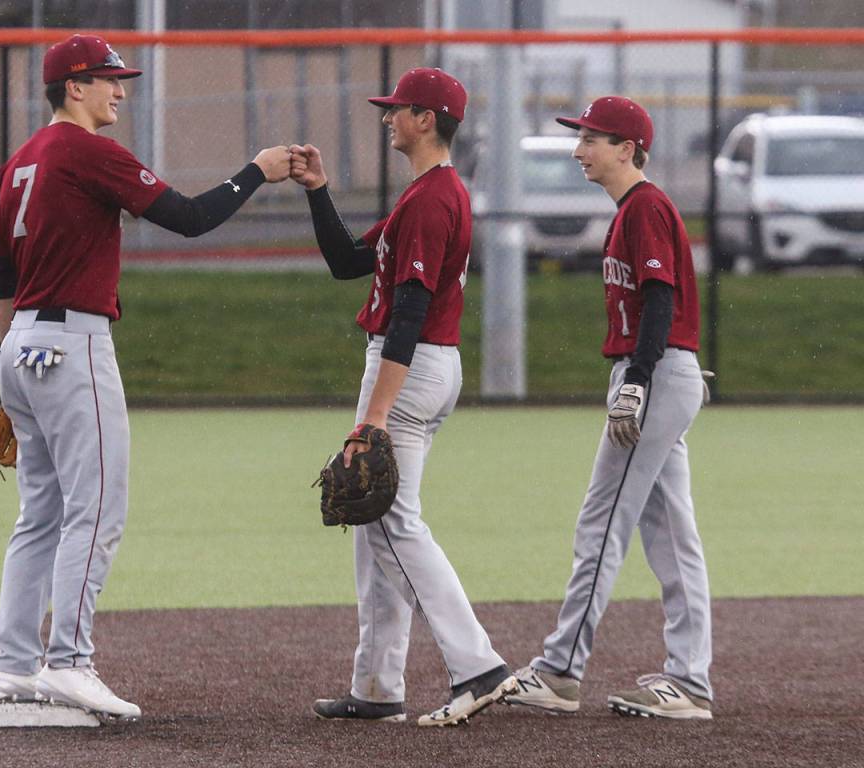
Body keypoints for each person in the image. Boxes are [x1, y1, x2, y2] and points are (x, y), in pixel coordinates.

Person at [0, 33, 291, 719]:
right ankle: (67, 661)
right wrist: (256, 171)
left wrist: (6, 358)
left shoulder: (21, 161)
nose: (119, 90)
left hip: (21, 343)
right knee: (97, 511)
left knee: (40, 515)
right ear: (74, 88)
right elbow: (186, 218)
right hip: (74, 343)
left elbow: (1, 271)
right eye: (107, 79)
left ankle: (12, 665)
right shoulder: (88, 150)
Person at [290, 67, 519, 727]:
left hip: (408, 367)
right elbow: (345, 261)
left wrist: (375, 419)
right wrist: (319, 191)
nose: (388, 118)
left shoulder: (431, 200)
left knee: (393, 523)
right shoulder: (426, 195)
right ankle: (378, 686)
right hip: (419, 365)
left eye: (397, 110)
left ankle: (478, 666)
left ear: (426, 118)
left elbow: (411, 310)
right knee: (375, 528)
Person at [505, 96, 713, 719]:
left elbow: (658, 296)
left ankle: (561, 669)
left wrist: (638, 380)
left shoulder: (645, 205)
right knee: (672, 537)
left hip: (655, 370)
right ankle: (691, 683)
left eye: (592, 139)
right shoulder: (635, 208)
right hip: (663, 373)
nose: (579, 150)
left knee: (603, 523)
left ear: (628, 148)